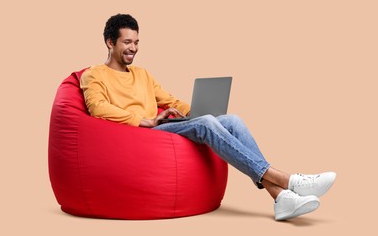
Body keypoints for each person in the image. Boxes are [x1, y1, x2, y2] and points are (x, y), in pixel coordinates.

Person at [80, 13, 336, 221]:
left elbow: (169, 99)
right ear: (110, 42)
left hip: (162, 127)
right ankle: (287, 180)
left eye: (136, 42)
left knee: (231, 120)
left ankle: (279, 196)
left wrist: (194, 110)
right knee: (206, 125)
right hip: (142, 134)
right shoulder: (94, 75)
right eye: (127, 42)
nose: (133, 48)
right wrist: (145, 120)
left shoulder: (143, 74)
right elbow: (98, 108)